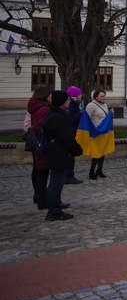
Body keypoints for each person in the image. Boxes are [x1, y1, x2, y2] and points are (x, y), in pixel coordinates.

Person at [43, 90, 83, 221]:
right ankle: (54, 211)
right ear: (61, 102)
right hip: (58, 154)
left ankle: (55, 205)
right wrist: (77, 149)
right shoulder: (58, 117)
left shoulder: (56, 114)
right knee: (56, 182)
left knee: (57, 181)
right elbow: (67, 137)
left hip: (58, 153)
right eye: (67, 99)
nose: (69, 101)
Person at [26, 85, 52, 209]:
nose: (51, 96)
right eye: (50, 94)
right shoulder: (43, 109)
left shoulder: (39, 107)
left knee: (39, 170)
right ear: (45, 96)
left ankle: (40, 197)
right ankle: (42, 200)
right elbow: (38, 128)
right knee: (42, 171)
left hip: (39, 143)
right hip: (42, 144)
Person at [85, 89, 113, 178]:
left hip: (104, 131)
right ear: (96, 96)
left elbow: (105, 117)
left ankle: (99, 170)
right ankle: (91, 171)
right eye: (101, 96)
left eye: (104, 96)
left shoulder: (105, 105)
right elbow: (87, 119)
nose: (103, 98)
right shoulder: (91, 105)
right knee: (96, 153)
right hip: (95, 131)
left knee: (102, 152)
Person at [64, 86, 84, 184]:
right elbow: (71, 120)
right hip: (72, 132)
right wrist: (79, 114)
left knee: (71, 157)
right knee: (70, 156)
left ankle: (70, 175)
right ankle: (68, 176)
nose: (81, 96)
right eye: (79, 94)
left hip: (75, 132)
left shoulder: (76, 104)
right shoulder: (71, 106)